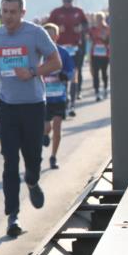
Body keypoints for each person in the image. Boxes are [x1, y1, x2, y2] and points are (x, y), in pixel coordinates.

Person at [0, 0, 61, 238]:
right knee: (10, 161)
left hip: (33, 105)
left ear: (22, 13)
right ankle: (12, 216)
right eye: (4, 11)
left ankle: (33, 181)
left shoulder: (35, 33)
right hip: (7, 106)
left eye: (13, 12)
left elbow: (55, 61)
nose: (8, 16)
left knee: (32, 159)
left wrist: (33, 72)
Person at [41, 24, 76, 170]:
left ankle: (53, 157)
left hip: (60, 96)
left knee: (57, 126)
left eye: (52, 34)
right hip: (43, 98)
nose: (49, 37)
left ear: (57, 36)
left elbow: (71, 72)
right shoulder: (39, 53)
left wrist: (65, 75)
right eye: (46, 34)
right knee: (46, 127)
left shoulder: (63, 53)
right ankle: (44, 135)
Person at [49, 0, 87, 119]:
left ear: (72, 0)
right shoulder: (56, 12)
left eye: (69, 1)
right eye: (65, 1)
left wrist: (81, 28)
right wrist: (56, 29)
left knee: (74, 75)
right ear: (62, 0)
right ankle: (65, 103)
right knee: (63, 77)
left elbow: (86, 24)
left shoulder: (78, 11)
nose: (67, 3)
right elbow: (47, 27)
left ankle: (72, 104)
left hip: (75, 48)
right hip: (61, 49)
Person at [89, 12, 111, 101]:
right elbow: (89, 39)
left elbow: (109, 41)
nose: (99, 21)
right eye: (97, 19)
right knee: (95, 73)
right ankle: (97, 92)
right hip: (95, 54)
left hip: (105, 54)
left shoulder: (108, 29)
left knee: (104, 72)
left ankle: (105, 88)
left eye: (101, 19)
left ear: (104, 19)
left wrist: (104, 39)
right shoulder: (92, 29)